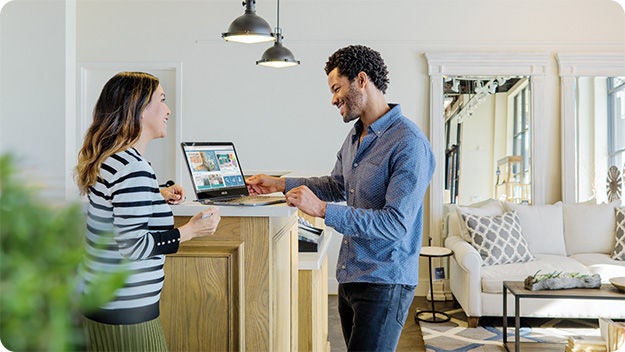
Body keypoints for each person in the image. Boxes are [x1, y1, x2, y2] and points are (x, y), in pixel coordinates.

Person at [246, 45, 435, 351]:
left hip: (385, 281)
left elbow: (395, 224)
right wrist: (279, 184)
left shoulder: (409, 143)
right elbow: (337, 185)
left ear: (361, 80)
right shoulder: (356, 135)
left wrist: (321, 210)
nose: (333, 99)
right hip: (351, 278)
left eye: (337, 88)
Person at [75, 71, 221, 351]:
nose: (168, 110)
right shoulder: (133, 168)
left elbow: (115, 208)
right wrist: (191, 231)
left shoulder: (114, 159)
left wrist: (157, 194)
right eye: (162, 100)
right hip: (127, 313)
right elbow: (133, 245)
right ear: (139, 108)